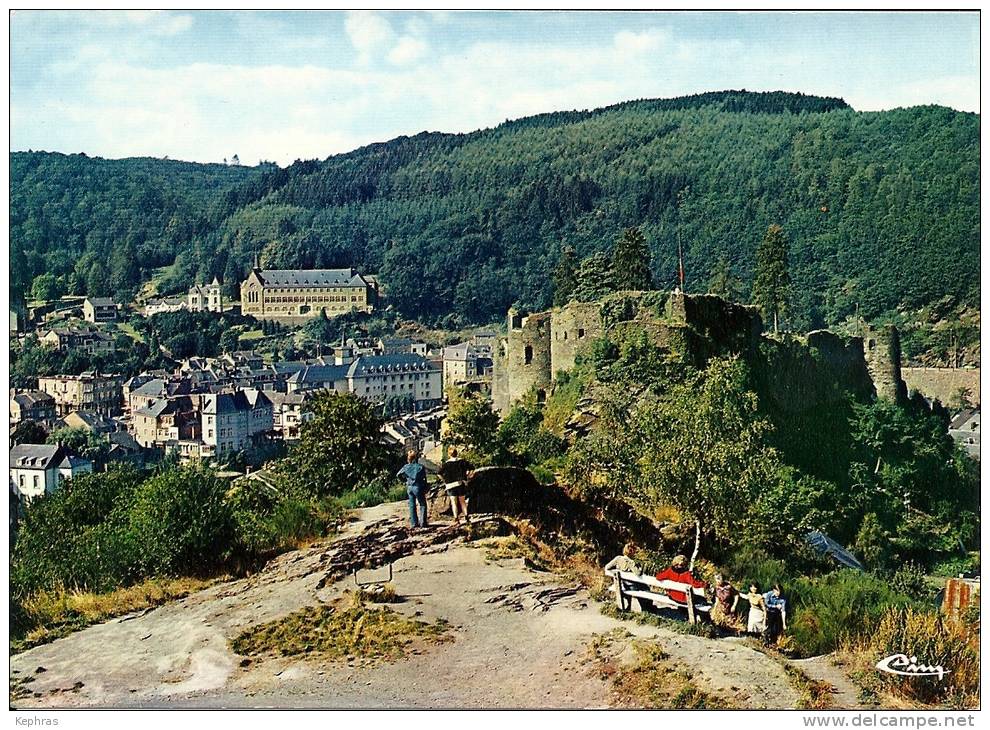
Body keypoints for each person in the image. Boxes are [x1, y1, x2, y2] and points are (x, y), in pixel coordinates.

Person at [396, 448, 429, 529]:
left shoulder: (406, 467)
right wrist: (425, 486)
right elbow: (424, 478)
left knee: (412, 505)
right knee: (422, 504)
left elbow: (398, 475)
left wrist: (404, 480)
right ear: (416, 458)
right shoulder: (420, 467)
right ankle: (423, 523)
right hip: (418, 486)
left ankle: (414, 523)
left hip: (409, 487)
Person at [440, 447, 474, 524]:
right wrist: (468, 477)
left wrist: (444, 481)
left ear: (449, 454)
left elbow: (439, 473)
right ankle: (466, 517)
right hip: (460, 483)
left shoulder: (446, 464)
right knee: (462, 502)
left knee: (454, 502)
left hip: (450, 485)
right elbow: (472, 468)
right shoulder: (462, 461)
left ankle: (456, 518)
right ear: (456, 453)